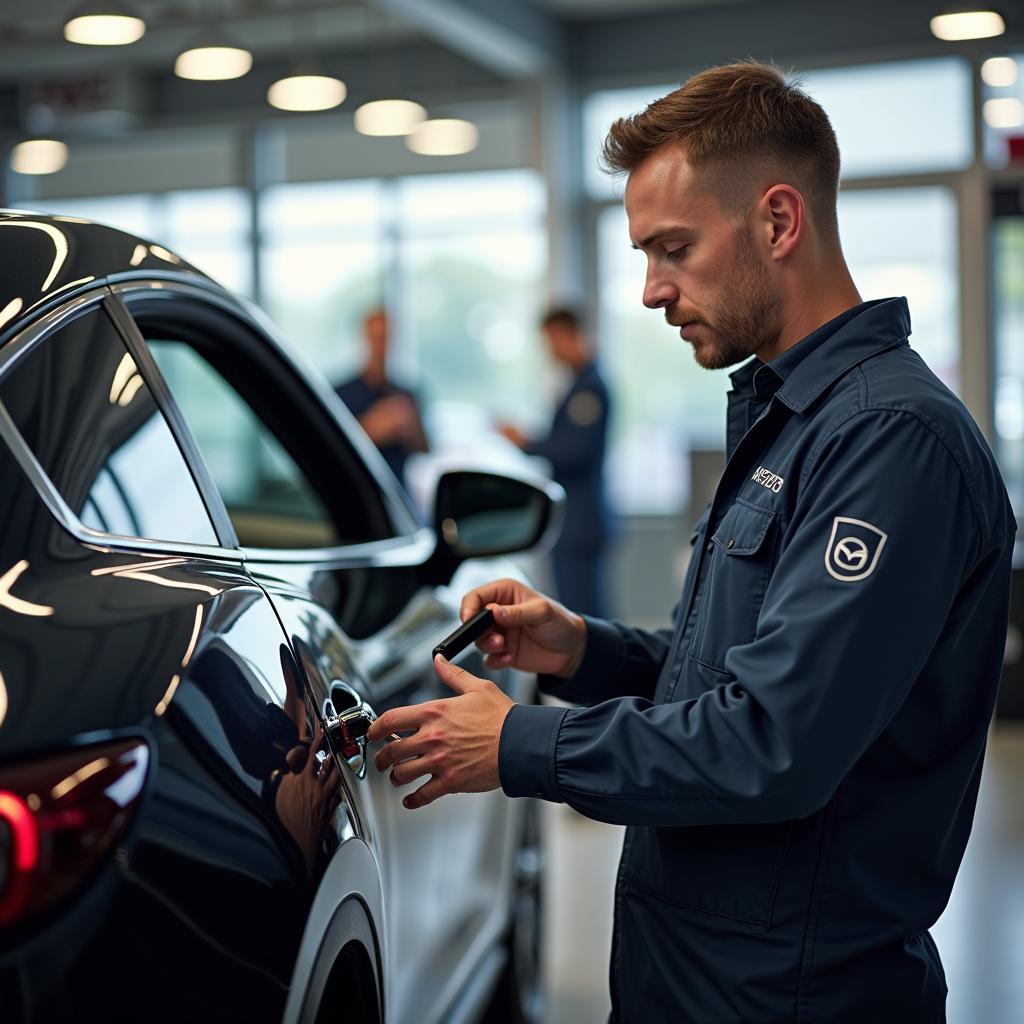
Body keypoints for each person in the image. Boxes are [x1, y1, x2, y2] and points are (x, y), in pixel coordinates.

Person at [366, 61, 1016, 1022]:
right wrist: (582, 650)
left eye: (672, 248)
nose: (649, 291)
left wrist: (524, 743)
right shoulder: (792, 420)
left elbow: (774, 742)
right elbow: (736, 679)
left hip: (791, 997)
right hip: (696, 976)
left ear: (778, 222)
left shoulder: (889, 441)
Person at [499, 308, 611, 617]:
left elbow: (573, 451)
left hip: (581, 520)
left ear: (567, 336)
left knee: (583, 614)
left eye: (552, 341)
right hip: (575, 520)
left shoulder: (589, 389)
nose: (550, 351)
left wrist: (526, 441)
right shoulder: (578, 385)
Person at [335, 307, 428, 484]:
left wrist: (411, 429)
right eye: (376, 337)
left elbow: (425, 448)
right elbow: (332, 449)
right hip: (357, 489)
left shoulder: (406, 395)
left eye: (386, 337)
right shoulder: (339, 394)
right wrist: (370, 430)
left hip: (397, 491)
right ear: (365, 337)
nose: (381, 345)